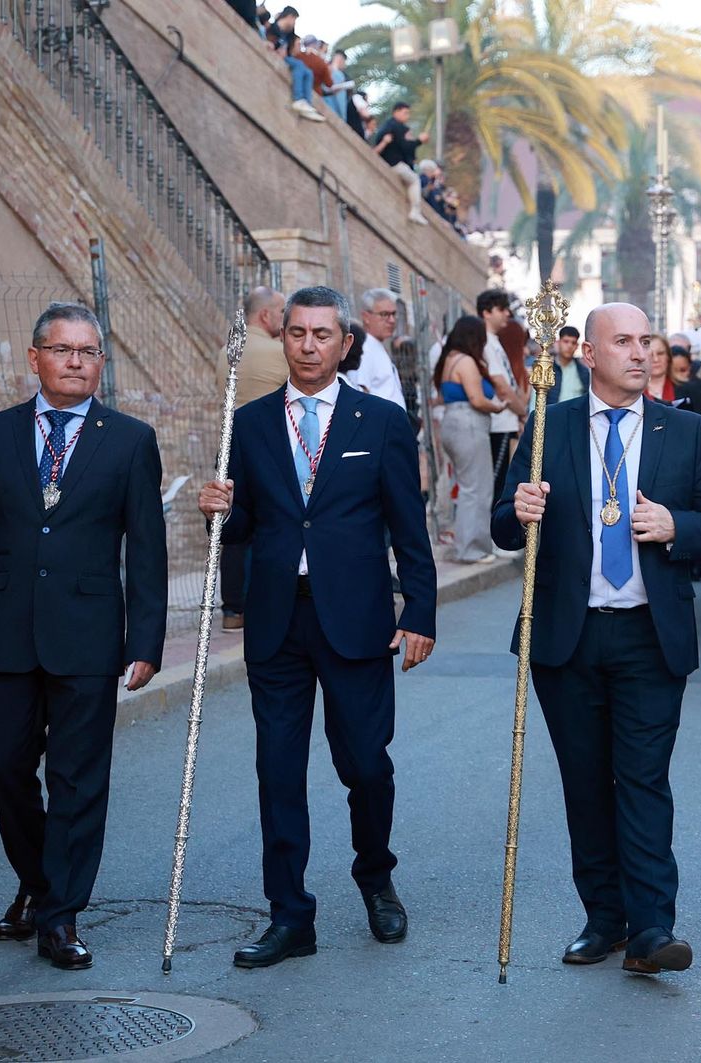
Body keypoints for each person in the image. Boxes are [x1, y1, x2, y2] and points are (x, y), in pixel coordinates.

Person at [0, 302, 167, 971]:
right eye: (62, 349)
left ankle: (60, 914)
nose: (76, 361)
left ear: (99, 362)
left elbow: (147, 548)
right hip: (7, 635)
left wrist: (146, 640)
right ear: (35, 358)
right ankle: (39, 882)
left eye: (88, 351)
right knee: (9, 770)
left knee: (78, 780)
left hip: (89, 637)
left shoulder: (130, 441)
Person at [492, 301, 701, 976]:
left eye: (645, 341)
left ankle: (653, 927)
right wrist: (519, 511)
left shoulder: (684, 430)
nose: (639, 353)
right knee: (585, 783)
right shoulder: (550, 424)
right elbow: (503, 524)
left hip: (648, 636)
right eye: (623, 341)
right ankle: (604, 919)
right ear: (591, 354)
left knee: (642, 778)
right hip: (566, 637)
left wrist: (678, 526)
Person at [196, 286, 436, 969]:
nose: (307, 345)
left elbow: (408, 525)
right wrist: (218, 512)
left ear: (345, 343)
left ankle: (375, 876)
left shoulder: (381, 421)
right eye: (296, 333)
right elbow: (242, 524)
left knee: (365, 763)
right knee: (277, 770)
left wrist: (420, 611)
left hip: (357, 619)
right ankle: (289, 914)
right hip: (278, 618)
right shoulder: (249, 423)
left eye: (322, 334)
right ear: (284, 338)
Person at [219, 287, 288, 633]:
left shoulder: (227, 351)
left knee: (231, 527)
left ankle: (232, 610)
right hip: (269, 448)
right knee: (271, 523)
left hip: (229, 444)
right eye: (282, 312)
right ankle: (267, 602)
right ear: (265, 315)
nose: (285, 319)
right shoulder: (278, 353)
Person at [433, 316, 504, 563]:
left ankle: (468, 545)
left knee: (467, 488)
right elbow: (477, 399)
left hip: (453, 422)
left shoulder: (449, 359)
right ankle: (472, 549)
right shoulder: (466, 362)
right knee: (477, 489)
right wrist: (498, 407)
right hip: (469, 423)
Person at [477, 290, 526, 503]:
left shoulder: (494, 341)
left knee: (502, 483)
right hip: (498, 423)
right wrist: (523, 413)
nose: (507, 314)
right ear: (486, 312)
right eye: (501, 309)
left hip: (507, 421)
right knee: (497, 486)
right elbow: (501, 386)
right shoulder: (484, 342)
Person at [373, 103, 430, 225]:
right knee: (415, 180)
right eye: (405, 113)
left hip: (388, 163)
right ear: (396, 112)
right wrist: (419, 141)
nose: (407, 116)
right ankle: (415, 211)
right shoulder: (397, 127)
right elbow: (405, 147)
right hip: (395, 164)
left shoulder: (387, 126)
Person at [349, 289, 406, 408]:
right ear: (366, 317)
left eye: (394, 314)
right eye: (384, 314)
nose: (392, 320)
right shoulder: (364, 349)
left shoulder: (375, 345)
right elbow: (360, 393)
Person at [551, 325, 589, 402]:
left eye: (573, 343)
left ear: (577, 346)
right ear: (558, 342)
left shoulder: (583, 372)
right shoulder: (548, 369)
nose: (569, 346)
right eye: (566, 341)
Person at [644, 335, 675, 404]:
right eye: (650, 355)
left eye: (660, 353)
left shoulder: (689, 390)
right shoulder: (631, 393)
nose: (656, 359)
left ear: (668, 356)